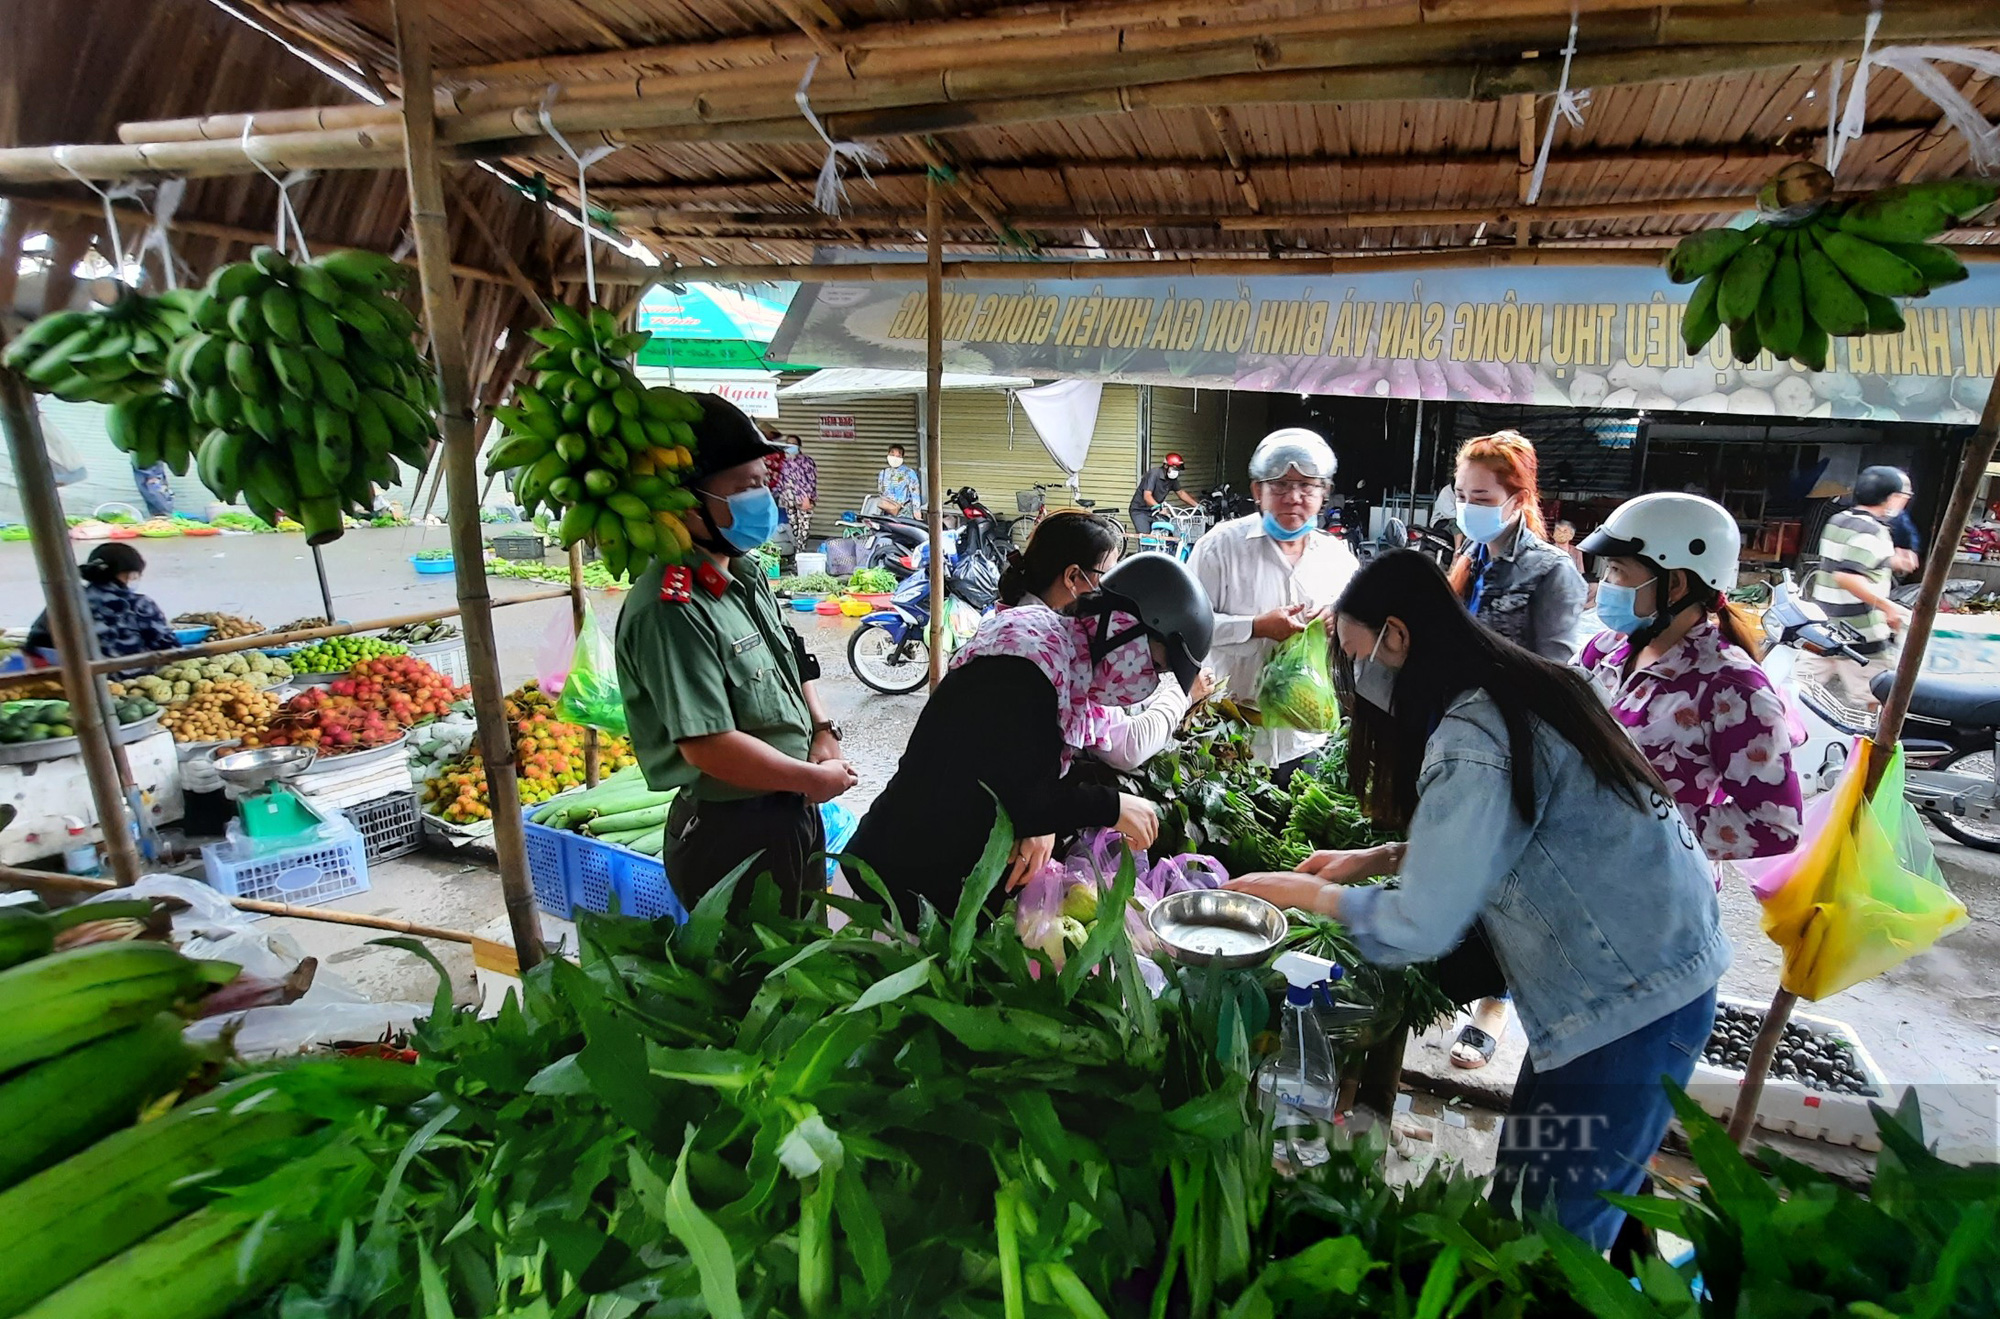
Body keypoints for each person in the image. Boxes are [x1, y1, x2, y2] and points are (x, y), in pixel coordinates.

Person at [1227, 550, 1727, 1250]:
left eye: (1355, 651)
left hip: (1630, 998)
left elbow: (1421, 924)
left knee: (1551, 1241)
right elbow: (1521, 828)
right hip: (1633, 978)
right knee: (1529, 1195)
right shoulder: (1523, 683)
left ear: (1397, 636)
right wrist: (1380, 856)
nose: (1352, 676)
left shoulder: (1475, 732)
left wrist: (1302, 893)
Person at [847, 553, 1214, 918]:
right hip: (889, 890)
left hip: (934, 887)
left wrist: (1049, 824)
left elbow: (1016, 780)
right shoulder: (1024, 669)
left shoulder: (1063, 658)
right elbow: (1020, 800)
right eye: (1156, 665)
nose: (1149, 681)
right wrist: (1112, 805)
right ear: (1124, 626)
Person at [613, 395, 857, 917]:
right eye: (745, 487)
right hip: (733, 833)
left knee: (803, 959)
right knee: (754, 980)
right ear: (683, 503)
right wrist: (810, 780)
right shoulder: (671, 608)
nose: (762, 498)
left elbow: (792, 655)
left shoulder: (745, 574)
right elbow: (708, 746)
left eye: (762, 482)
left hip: (787, 808)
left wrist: (822, 730)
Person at [1578, 493, 1803, 865]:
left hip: (1655, 898)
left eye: (1617, 570)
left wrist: (1641, 828)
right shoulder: (1604, 650)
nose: (1604, 583)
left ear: (1676, 584)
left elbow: (1776, 825)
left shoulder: (1734, 689)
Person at [1188, 429, 1359, 771]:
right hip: (1232, 736)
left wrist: (1339, 624)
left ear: (1323, 493)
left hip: (1307, 738)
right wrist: (1256, 627)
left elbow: (1360, 642)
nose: (1293, 496)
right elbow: (1188, 630)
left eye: (1307, 486)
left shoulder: (1339, 560)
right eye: (1279, 485)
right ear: (1257, 491)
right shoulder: (1219, 548)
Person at [1000, 510, 1217, 772]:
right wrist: (1183, 697)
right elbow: (1128, 745)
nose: (1112, 590)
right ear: (1073, 577)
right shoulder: (1051, 652)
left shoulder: (1025, 625)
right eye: (1106, 578)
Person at [1448, 431, 1586, 663]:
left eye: (1482, 500)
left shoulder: (1552, 571)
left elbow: (1555, 670)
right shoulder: (1471, 554)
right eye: (1461, 497)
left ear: (1519, 500)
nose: (1467, 508)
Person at [1803, 465, 1910, 711]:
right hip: (1860, 634)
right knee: (1879, 698)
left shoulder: (1840, 520)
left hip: (1824, 628)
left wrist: (1890, 560)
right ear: (1891, 498)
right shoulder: (1874, 530)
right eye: (1904, 496)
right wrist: (1888, 606)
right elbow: (1847, 576)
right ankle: (1872, 748)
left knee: (1799, 693)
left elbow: (1847, 558)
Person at [26, 542, 178, 664]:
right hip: (132, 681)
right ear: (129, 573)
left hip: (78, 682)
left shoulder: (66, 601)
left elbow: (36, 642)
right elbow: (169, 647)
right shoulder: (139, 604)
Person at [1130, 451, 1196, 532]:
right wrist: (1159, 507)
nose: (1176, 472)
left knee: (1170, 531)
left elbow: (1181, 493)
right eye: (1174, 468)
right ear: (1166, 466)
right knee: (1146, 536)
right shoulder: (1154, 474)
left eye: (1177, 469)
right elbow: (1147, 496)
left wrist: (1197, 506)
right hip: (1140, 510)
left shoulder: (1172, 479)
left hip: (1155, 510)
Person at [772, 434, 819, 543]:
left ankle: (800, 551)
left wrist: (808, 498)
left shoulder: (807, 461)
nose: (791, 446)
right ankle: (795, 551)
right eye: (788, 444)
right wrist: (775, 493)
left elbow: (811, 481)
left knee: (804, 527)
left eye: (793, 444)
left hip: (803, 499)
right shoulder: (785, 463)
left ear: (799, 446)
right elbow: (781, 481)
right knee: (793, 526)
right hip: (788, 499)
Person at [877, 444, 923, 517]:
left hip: (904, 513)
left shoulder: (909, 472)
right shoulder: (883, 473)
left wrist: (917, 511)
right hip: (887, 513)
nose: (894, 457)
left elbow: (915, 493)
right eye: (892, 454)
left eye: (898, 456)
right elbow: (880, 492)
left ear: (902, 457)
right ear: (888, 454)